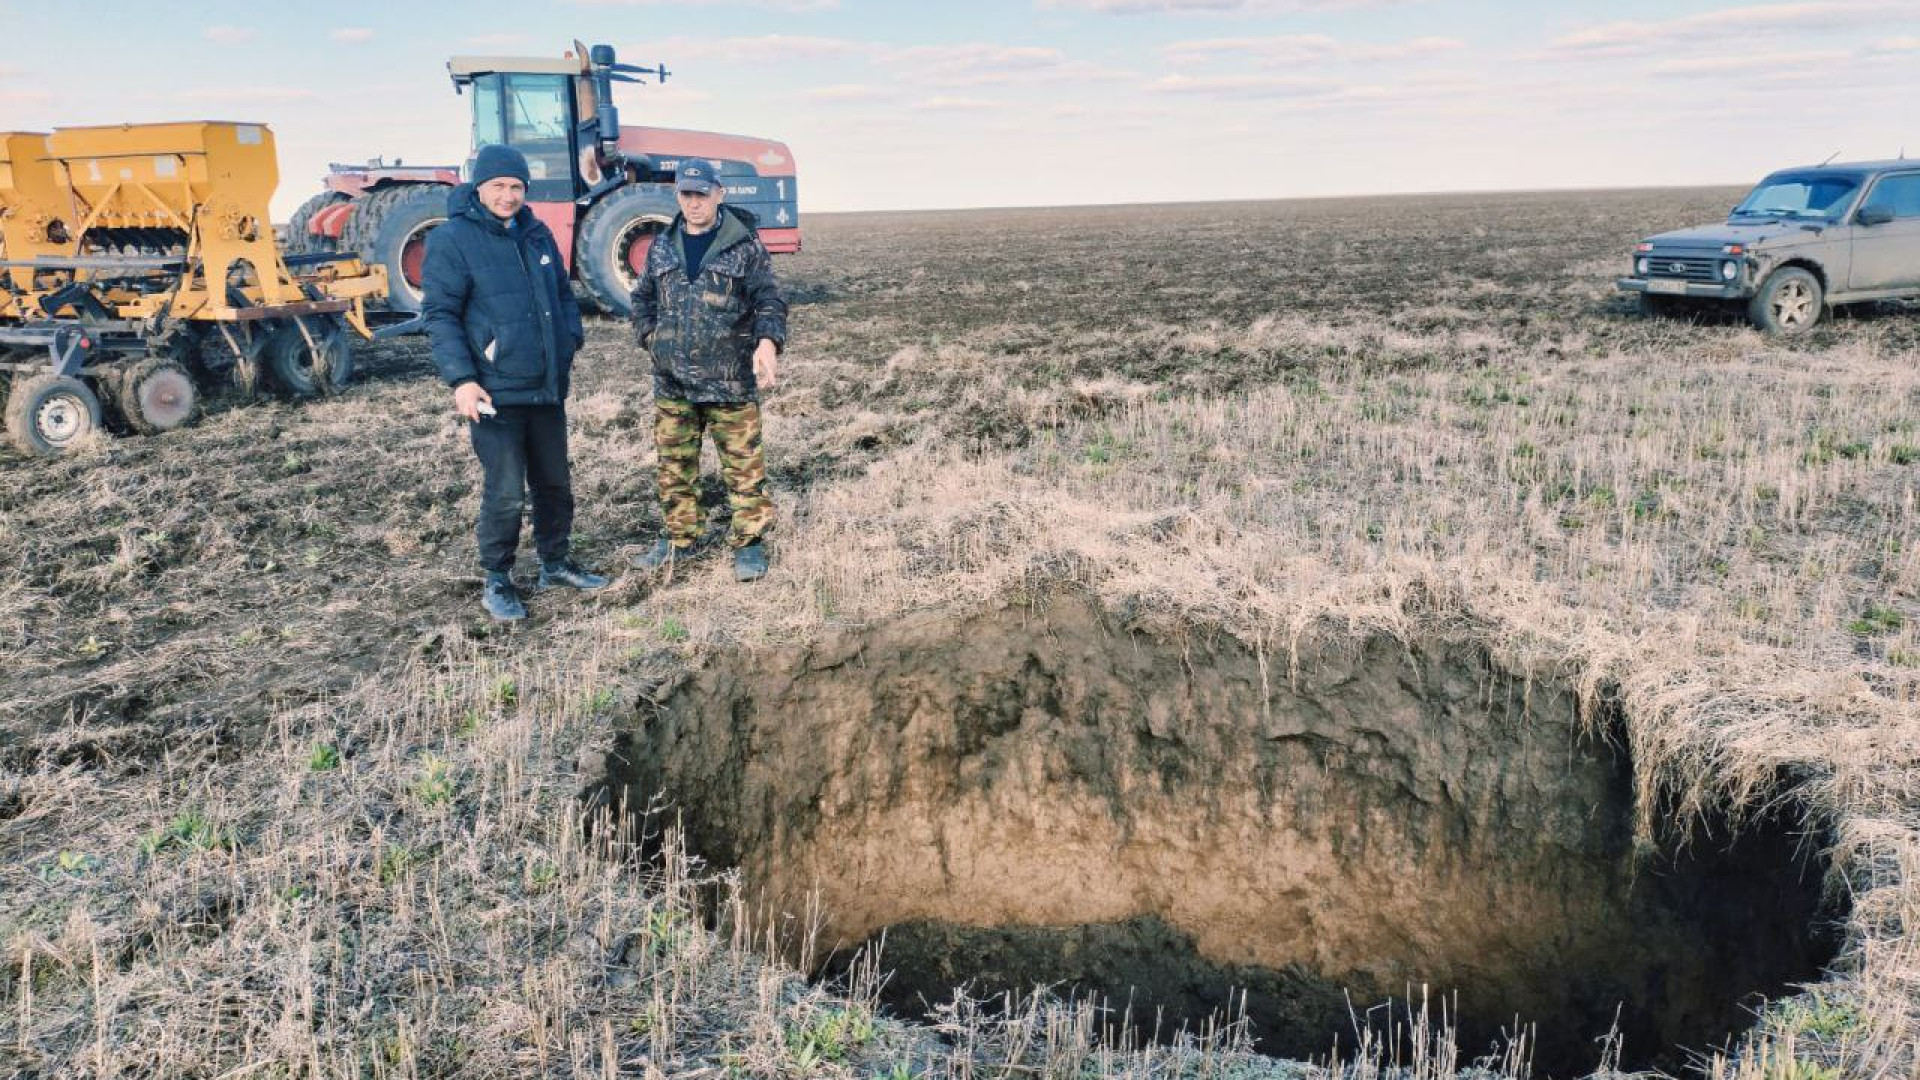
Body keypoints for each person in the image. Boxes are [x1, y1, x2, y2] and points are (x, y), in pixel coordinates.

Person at [421, 143, 608, 621]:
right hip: (493, 392)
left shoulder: (537, 234)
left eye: (516, 186)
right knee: (505, 489)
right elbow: (440, 316)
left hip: (545, 386)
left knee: (555, 483)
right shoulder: (452, 240)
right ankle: (498, 579)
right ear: (479, 187)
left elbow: (563, 297)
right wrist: (462, 380)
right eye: (499, 186)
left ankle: (555, 563)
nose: (508, 195)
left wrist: (569, 341)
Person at [629, 159, 788, 582]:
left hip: (729, 380)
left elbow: (769, 301)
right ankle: (681, 537)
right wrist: (651, 339)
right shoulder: (662, 245)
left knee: (743, 469)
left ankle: (749, 543)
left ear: (719, 193)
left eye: (701, 193)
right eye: (686, 194)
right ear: (678, 196)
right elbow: (642, 298)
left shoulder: (744, 246)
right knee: (674, 467)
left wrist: (767, 343)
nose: (693, 202)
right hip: (673, 381)